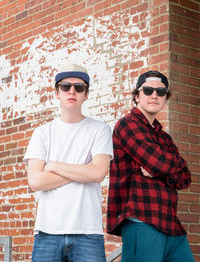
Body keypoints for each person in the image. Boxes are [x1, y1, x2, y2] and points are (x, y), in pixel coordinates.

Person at [24, 64, 113, 262]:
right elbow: (36, 181)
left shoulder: (100, 130)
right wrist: (82, 171)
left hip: (88, 233)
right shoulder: (42, 133)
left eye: (79, 87)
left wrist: (54, 166)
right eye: (65, 86)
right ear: (57, 93)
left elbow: (98, 173)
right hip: (47, 232)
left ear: (86, 95)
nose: (72, 91)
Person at [107, 70, 195, 262]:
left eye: (160, 92)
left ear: (165, 98)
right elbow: (157, 162)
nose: (154, 95)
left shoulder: (164, 137)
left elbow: (185, 178)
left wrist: (162, 169)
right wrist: (169, 165)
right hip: (142, 220)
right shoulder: (127, 125)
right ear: (137, 96)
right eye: (147, 90)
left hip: (171, 224)